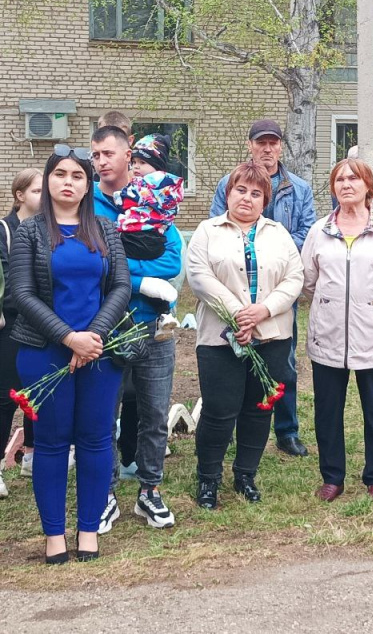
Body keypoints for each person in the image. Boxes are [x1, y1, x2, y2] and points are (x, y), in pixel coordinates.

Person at [9, 146, 131, 562]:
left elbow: (120, 287)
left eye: (77, 175)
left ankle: (89, 530)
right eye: (59, 174)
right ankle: (54, 535)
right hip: (44, 351)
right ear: (47, 181)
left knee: (97, 440)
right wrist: (68, 338)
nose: (68, 182)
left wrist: (92, 336)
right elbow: (21, 294)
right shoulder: (30, 233)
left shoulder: (105, 229)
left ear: (87, 183)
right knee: (51, 443)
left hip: (100, 353)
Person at [187, 162, 303, 509]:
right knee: (219, 411)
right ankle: (209, 478)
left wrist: (263, 311)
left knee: (258, 409)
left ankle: (245, 474)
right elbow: (198, 276)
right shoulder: (207, 231)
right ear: (228, 192)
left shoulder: (278, 234)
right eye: (241, 190)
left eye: (256, 193)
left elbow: (294, 278)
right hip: (221, 338)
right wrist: (240, 312)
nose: (247, 199)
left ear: (264, 200)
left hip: (271, 336)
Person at [302, 158, 373, 505]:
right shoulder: (319, 230)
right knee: (327, 412)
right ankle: (332, 477)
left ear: (369, 186)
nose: (346, 184)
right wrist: (332, 309)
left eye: (353, 178)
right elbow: (308, 282)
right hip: (328, 338)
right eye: (339, 179)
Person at [92, 121, 183, 532]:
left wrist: (127, 270)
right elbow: (92, 261)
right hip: (107, 327)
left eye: (107, 154)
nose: (100, 163)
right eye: (94, 156)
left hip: (154, 328)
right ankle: (104, 493)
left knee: (155, 414)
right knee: (102, 416)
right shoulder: (88, 204)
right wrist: (139, 281)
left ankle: (150, 491)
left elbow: (173, 260)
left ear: (128, 153)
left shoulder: (154, 194)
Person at [211, 119, 316, 458]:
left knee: (282, 364)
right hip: (235, 292)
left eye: (273, 143)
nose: (267, 149)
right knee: (230, 361)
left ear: (281, 147)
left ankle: (287, 430)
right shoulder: (228, 183)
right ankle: (228, 428)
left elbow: (307, 234)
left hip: (279, 291)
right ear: (250, 145)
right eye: (261, 143)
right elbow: (215, 231)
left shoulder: (298, 189)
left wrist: (273, 252)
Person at [113, 134, 184, 340]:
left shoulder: (146, 184)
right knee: (155, 280)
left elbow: (124, 200)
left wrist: (120, 196)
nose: (136, 167)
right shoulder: (169, 187)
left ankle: (126, 313)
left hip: (137, 236)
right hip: (155, 238)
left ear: (156, 166)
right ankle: (164, 313)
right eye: (134, 162)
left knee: (114, 254)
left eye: (142, 163)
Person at [0, 168, 43, 497]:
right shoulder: (4, 230)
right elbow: (10, 283)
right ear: (20, 195)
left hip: (40, 324)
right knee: (5, 397)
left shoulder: (45, 229)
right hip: (11, 324)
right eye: (37, 191)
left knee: (36, 392)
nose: (45, 197)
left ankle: (31, 454)